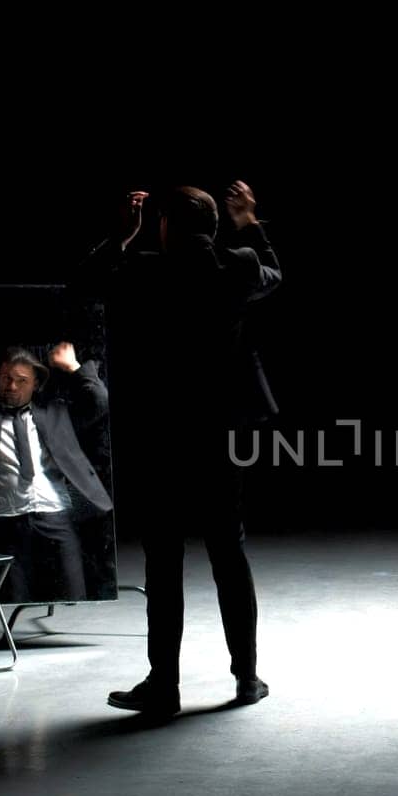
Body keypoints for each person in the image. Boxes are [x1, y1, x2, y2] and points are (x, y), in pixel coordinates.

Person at [87, 181, 282, 714]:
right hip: (221, 438)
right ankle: (246, 678)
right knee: (228, 553)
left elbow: (90, 280)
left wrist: (122, 237)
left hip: (161, 438)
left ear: (164, 226)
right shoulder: (237, 266)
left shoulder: (145, 270)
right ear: (214, 225)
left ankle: (164, 685)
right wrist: (250, 224)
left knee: (163, 561)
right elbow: (274, 274)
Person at [0, 342, 114, 603]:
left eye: (21, 380)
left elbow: (100, 402)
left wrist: (74, 367)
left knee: (74, 593)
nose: (11, 387)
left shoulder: (55, 414)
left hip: (55, 518)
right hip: (8, 522)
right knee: (13, 598)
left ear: (35, 384)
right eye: (5, 378)